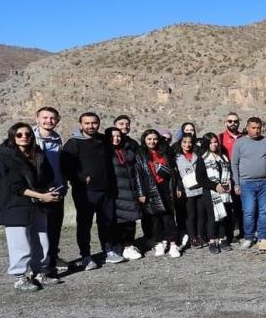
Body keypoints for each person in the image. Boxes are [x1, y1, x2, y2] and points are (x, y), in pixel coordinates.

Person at [0, 123, 60, 291]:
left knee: (42, 239)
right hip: (14, 205)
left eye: (28, 134)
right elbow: (13, 187)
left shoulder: (37, 154)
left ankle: (40, 272)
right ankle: (20, 277)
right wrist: (42, 196)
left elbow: (46, 176)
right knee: (19, 243)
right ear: (12, 137)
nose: (24, 137)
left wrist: (48, 190)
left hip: (37, 204)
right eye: (19, 134)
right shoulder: (4, 159)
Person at [62, 112, 119, 270]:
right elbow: (65, 167)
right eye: (87, 123)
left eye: (94, 123)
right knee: (84, 224)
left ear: (99, 123)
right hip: (85, 192)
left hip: (106, 190)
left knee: (106, 222)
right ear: (81, 124)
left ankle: (108, 250)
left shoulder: (103, 140)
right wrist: (80, 178)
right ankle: (86, 256)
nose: (90, 126)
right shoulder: (73, 143)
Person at [33, 106, 67, 277]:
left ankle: (53, 257)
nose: (49, 121)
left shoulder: (56, 139)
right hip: (40, 193)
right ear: (37, 119)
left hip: (58, 190)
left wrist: (64, 185)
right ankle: (40, 264)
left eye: (52, 118)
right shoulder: (30, 139)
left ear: (58, 120)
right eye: (45, 118)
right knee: (40, 230)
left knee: (55, 227)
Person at [135, 129, 179, 258]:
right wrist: (141, 193)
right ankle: (159, 243)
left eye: (154, 139)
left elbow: (173, 171)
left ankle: (173, 244)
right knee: (155, 219)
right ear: (144, 140)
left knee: (168, 218)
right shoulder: (140, 154)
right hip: (150, 190)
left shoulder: (164, 152)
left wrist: (176, 187)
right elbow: (138, 175)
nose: (152, 141)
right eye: (149, 139)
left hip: (166, 188)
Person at [232, 117, 266, 250]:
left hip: (264, 182)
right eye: (254, 128)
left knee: (263, 212)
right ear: (247, 128)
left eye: (259, 128)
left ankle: (262, 237)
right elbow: (235, 164)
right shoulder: (240, 142)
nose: (256, 130)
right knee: (249, 211)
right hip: (247, 183)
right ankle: (249, 237)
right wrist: (237, 183)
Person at [104, 127, 143, 261]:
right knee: (118, 221)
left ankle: (128, 245)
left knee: (130, 219)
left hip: (130, 190)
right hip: (116, 191)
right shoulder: (105, 152)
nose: (116, 138)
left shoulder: (127, 149)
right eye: (113, 136)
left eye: (118, 136)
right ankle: (123, 246)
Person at [199, 133, 234, 253]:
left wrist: (228, 183)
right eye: (211, 142)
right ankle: (212, 240)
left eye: (215, 142)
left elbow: (228, 172)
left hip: (224, 191)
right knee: (213, 216)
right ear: (206, 144)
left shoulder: (222, 157)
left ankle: (222, 238)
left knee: (224, 215)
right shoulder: (203, 158)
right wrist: (215, 186)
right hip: (211, 192)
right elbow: (201, 178)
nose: (214, 144)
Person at [174, 133, 207, 250]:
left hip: (200, 187)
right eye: (185, 142)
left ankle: (200, 235)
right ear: (180, 143)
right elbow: (176, 175)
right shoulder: (176, 157)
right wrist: (178, 188)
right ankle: (193, 237)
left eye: (190, 142)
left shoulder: (197, 155)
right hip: (187, 190)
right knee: (191, 215)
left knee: (201, 214)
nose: (187, 145)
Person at [219, 112, 244, 239]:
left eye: (235, 121)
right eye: (230, 121)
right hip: (227, 176)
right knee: (227, 206)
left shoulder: (244, 137)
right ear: (225, 122)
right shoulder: (220, 138)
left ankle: (243, 231)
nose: (232, 123)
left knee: (241, 205)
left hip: (242, 175)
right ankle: (228, 234)